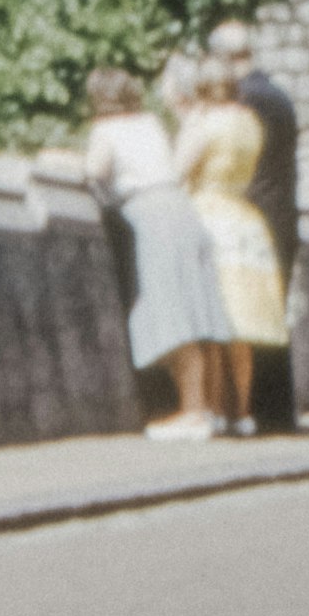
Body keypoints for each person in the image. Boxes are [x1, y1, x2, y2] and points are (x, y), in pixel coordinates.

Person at [85, 64, 240, 437]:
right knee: (197, 311)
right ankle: (208, 410)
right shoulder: (151, 123)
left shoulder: (104, 130)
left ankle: (193, 414)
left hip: (151, 216)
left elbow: (94, 171)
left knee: (173, 315)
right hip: (182, 210)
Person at [175, 55, 289, 432]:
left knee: (212, 318)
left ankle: (212, 408)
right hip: (244, 218)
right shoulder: (249, 122)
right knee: (242, 326)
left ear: (201, 90)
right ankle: (242, 412)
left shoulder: (206, 124)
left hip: (209, 215)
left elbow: (179, 171)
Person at [204, 16, 304, 432]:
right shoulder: (279, 96)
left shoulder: (244, 99)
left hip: (250, 215)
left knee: (245, 317)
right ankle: (277, 411)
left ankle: (253, 410)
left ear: (222, 58)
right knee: (270, 315)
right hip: (282, 214)